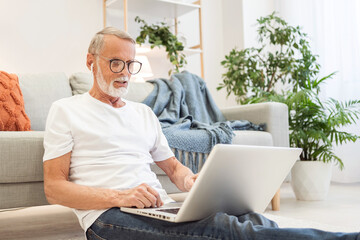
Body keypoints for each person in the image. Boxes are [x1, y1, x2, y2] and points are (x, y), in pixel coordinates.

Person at [43, 27, 359, 240]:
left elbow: (174, 169)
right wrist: (120, 196)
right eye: (115, 63)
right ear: (91, 62)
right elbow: (55, 189)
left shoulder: (143, 113)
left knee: (251, 218)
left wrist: (192, 182)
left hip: (158, 206)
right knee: (223, 229)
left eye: (130, 64)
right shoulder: (66, 110)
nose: (125, 73)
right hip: (107, 218)